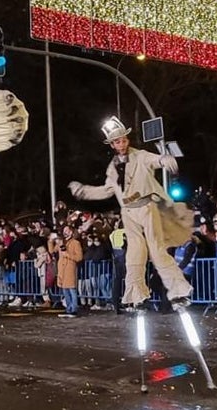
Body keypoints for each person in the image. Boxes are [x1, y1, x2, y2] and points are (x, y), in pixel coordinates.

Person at [69, 117, 193, 310]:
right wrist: (83, 191)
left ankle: (179, 292)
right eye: (118, 141)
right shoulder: (112, 168)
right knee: (134, 255)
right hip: (128, 212)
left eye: (124, 139)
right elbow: (107, 190)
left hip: (146, 207)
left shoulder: (140, 156)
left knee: (157, 250)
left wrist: (165, 159)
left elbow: (155, 159)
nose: (122, 143)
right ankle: (137, 296)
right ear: (112, 144)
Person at [57, 224, 83, 317]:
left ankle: (74, 309)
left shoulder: (75, 243)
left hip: (70, 269)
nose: (65, 232)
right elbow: (52, 251)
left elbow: (79, 257)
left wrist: (67, 255)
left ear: (71, 232)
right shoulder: (61, 243)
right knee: (65, 290)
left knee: (72, 290)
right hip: (62, 269)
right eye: (64, 230)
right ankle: (68, 308)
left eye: (67, 230)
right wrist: (51, 241)